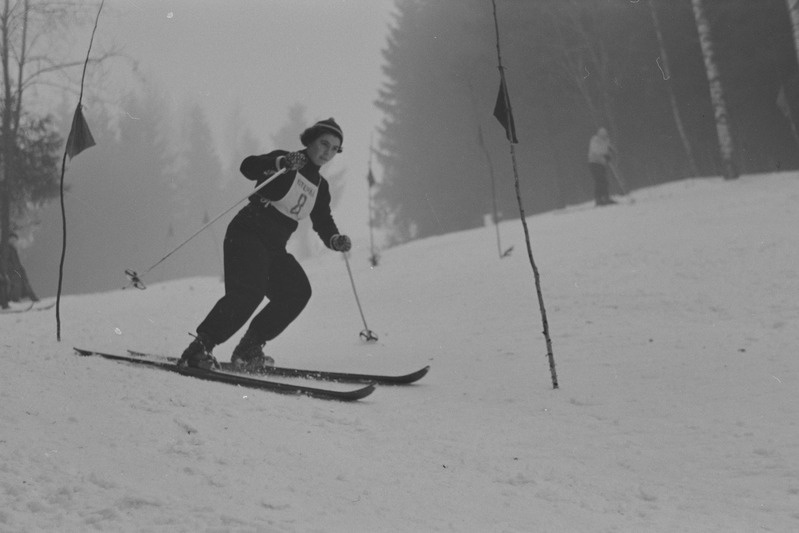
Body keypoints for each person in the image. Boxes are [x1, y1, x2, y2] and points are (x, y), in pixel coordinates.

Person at [178, 118, 352, 371]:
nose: (327, 152)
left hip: (274, 246)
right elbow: (248, 167)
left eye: (334, 149)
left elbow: (323, 221)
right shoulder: (287, 160)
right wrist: (280, 163)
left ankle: (249, 349)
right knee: (249, 292)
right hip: (247, 232)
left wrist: (335, 239)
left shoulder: (320, 187)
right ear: (310, 141)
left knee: (297, 291)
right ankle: (198, 350)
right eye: (324, 144)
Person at [587, 127, 617, 206]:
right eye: (602, 135)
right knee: (600, 180)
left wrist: (611, 150)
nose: (604, 137)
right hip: (594, 163)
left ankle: (606, 197)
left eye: (605, 135)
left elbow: (608, 147)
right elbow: (596, 150)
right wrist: (605, 154)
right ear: (599, 134)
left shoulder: (606, 140)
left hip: (601, 163)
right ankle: (599, 199)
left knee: (604, 181)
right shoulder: (595, 140)